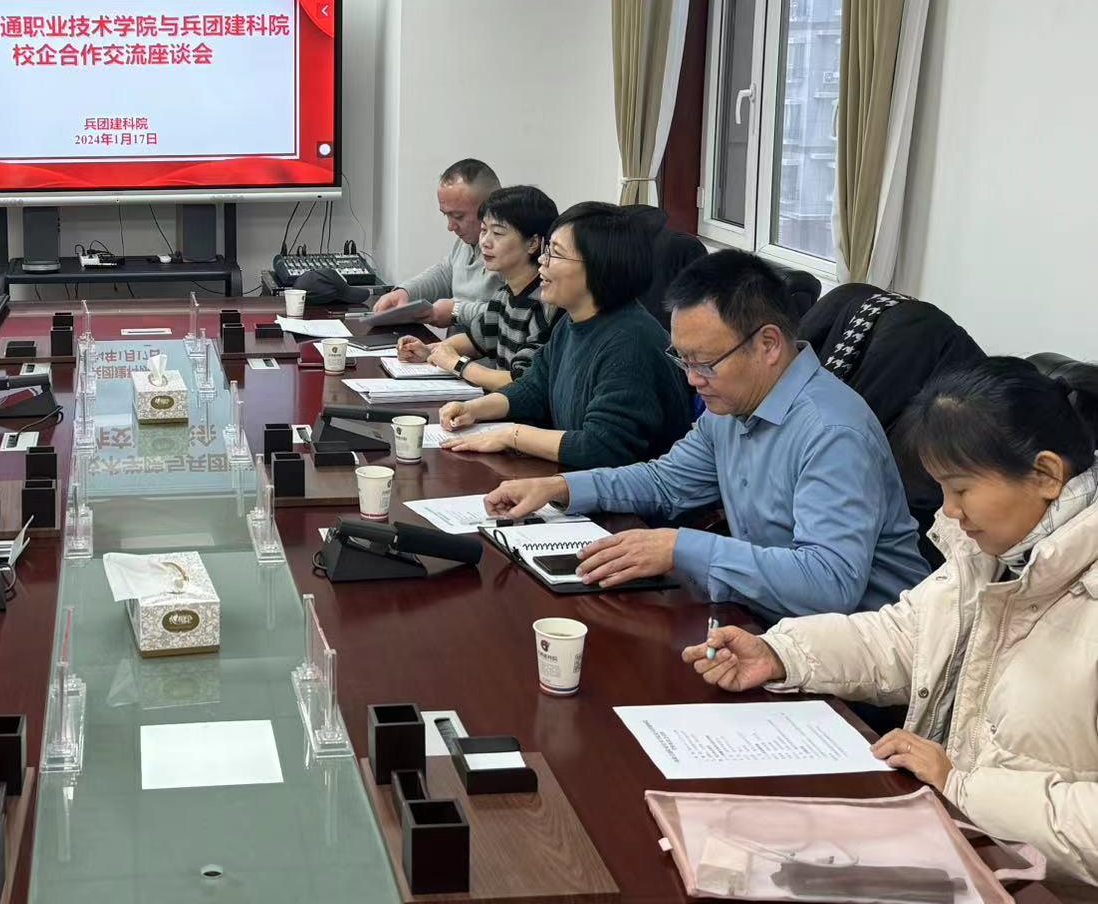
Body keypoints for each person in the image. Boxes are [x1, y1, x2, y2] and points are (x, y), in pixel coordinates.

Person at [689, 358, 1098, 894]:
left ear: (1045, 475)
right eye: (941, 490)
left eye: (961, 490)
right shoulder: (997, 554)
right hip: (954, 848)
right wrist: (781, 653)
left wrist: (963, 787)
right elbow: (906, 636)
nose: (949, 513)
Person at [484, 249, 929, 620]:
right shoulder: (732, 405)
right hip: (766, 624)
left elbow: (828, 585)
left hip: (859, 658)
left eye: (705, 363)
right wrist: (560, 487)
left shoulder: (832, 433)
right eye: (684, 360)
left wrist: (682, 548)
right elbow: (666, 482)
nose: (692, 379)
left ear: (768, 345)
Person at [441, 201, 690, 469]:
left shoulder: (631, 342)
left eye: (556, 254)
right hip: (578, 479)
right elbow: (533, 388)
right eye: (546, 251)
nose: (542, 261)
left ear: (598, 266)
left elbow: (602, 446)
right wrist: (473, 409)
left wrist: (511, 436)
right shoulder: (572, 322)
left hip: (627, 492)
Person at [395, 184, 559, 392]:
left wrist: (457, 364)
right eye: (483, 230)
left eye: (497, 233)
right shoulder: (504, 295)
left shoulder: (544, 303)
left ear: (533, 243)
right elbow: (476, 341)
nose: (485, 242)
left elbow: (522, 382)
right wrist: (429, 351)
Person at [371, 159, 503, 328]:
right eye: (446, 215)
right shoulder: (466, 242)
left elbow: (511, 315)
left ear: (490, 207)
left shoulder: (511, 251)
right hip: (456, 344)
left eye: (458, 216)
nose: (451, 226)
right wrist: (405, 292)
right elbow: (445, 274)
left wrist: (456, 312)